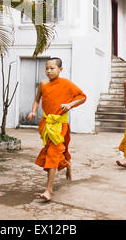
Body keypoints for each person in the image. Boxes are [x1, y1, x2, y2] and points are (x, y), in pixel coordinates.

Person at [27, 57, 87, 202]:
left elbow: (82, 97)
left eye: (52, 68)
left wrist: (70, 105)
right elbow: (37, 100)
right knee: (53, 150)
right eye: (47, 68)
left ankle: (49, 190)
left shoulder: (66, 84)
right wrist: (33, 111)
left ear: (60, 70)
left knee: (53, 153)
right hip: (46, 123)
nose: (49, 71)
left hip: (60, 125)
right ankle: (67, 164)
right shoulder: (43, 84)